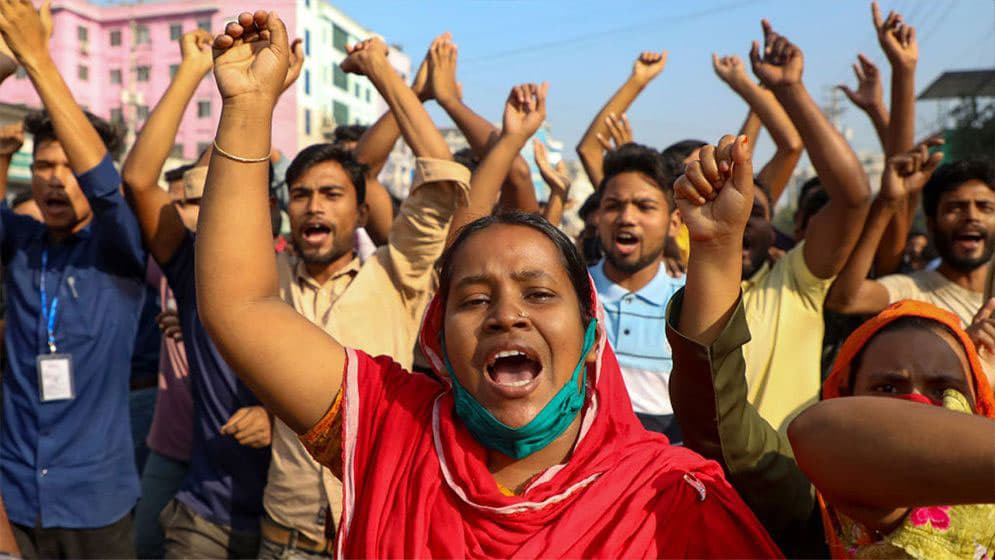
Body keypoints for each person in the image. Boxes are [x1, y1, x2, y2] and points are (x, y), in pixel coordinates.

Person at [194, 12, 783, 557]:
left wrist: (715, 248)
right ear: (437, 336)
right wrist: (247, 107)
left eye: (539, 293)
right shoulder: (387, 424)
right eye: (474, 299)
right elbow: (241, 305)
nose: (506, 315)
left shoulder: (669, 500)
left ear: (589, 329)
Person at [667, 131, 995, 557]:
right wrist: (714, 247)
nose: (917, 404)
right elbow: (720, 420)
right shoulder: (812, 507)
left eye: (944, 389)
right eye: (888, 389)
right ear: (842, 395)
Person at [260, 36, 470, 558]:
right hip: (286, 533)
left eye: (332, 195)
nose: (314, 207)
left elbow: (444, 180)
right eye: (301, 194)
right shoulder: (265, 281)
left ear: (360, 214)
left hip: (383, 528)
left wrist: (384, 73)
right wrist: (261, 95)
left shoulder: (396, 274)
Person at [119, 28, 302, 558]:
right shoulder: (194, 268)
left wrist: (276, 417)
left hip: (290, 519)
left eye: (223, 192)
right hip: (207, 510)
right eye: (197, 199)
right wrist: (194, 72)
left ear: (264, 204)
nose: (211, 212)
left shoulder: (307, 273)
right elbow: (138, 180)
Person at [0, 1, 147, 557]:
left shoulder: (118, 252)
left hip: (95, 504)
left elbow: (108, 189)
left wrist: (39, 59)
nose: (55, 181)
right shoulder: (18, 242)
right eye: (42, 167)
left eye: (69, 167)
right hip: (14, 495)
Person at [732, 20, 871, 431]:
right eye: (725, 213)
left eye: (753, 215)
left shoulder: (794, 281)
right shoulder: (680, 289)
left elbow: (853, 197)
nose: (737, 225)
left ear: (773, 226)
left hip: (787, 487)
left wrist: (791, 91)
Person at [588, 142, 685, 439]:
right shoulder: (571, 294)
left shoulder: (689, 305)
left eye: (645, 207)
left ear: (674, 223)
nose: (626, 218)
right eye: (613, 206)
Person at [826, 156, 993, 328]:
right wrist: (887, 203)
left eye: (985, 207)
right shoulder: (911, 291)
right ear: (931, 224)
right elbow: (845, 299)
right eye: (955, 208)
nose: (972, 217)